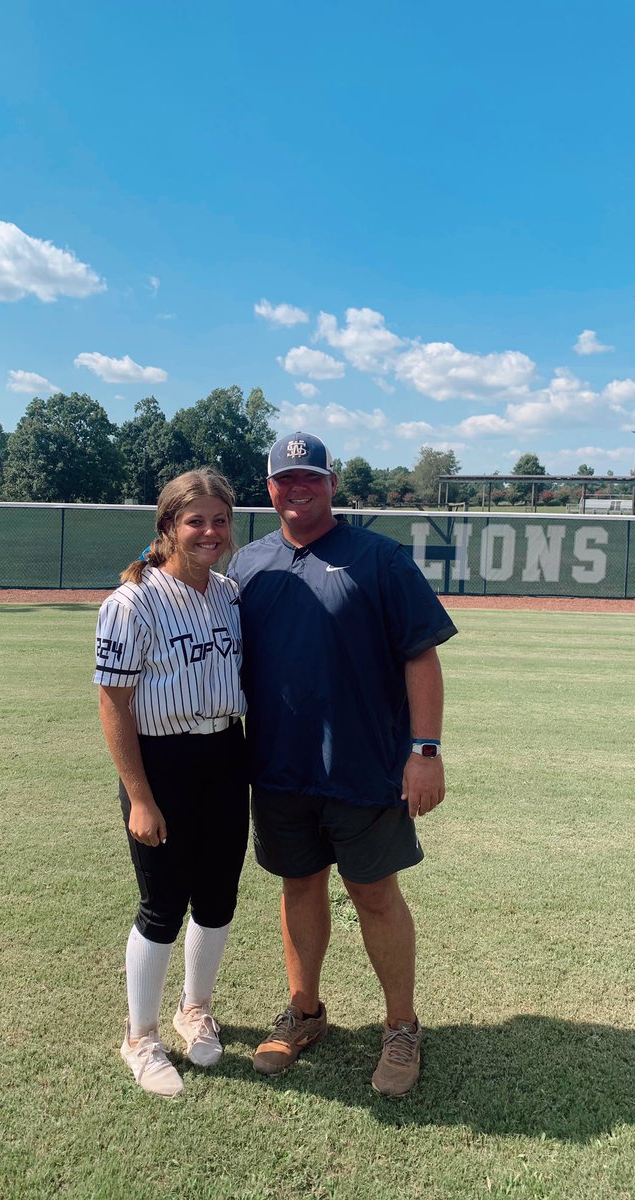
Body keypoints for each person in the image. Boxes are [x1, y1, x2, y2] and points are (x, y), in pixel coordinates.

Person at [227, 432, 458, 1097]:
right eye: (285, 478)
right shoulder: (248, 564)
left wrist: (426, 751)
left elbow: (421, 656)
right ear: (269, 488)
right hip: (278, 766)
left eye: (311, 477)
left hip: (363, 765)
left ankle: (402, 1027)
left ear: (332, 484)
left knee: (374, 894)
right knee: (298, 886)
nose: (298, 488)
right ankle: (305, 1013)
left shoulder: (379, 558)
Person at [94, 470, 248, 1098]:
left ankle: (195, 1010)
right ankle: (141, 1038)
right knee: (162, 906)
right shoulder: (131, 602)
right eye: (195, 521)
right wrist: (139, 796)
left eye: (220, 520)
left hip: (225, 754)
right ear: (168, 527)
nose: (210, 532)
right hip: (162, 762)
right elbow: (113, 703)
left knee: (218, 898)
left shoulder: (229, 594)